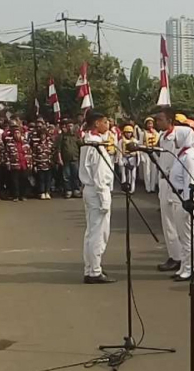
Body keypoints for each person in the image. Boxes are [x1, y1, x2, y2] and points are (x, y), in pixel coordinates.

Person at [80, 112, 116, 284]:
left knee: (92, 232)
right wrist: (104, 199)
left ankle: (92, 267)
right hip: (97, 190)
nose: (108, 124)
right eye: (105, 121)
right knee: (99, 233)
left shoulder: (89, 141)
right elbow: (100, 175)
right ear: (96, 123)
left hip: (91, 190)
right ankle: (94, 271)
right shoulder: (96, 145)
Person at [169, 126, 194, 281]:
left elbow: (190, 181)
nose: (174, 140)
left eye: (176, 137)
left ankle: (190, 268)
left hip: (185, 199)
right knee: (182, 237)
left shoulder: (189, 157)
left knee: (188, 237)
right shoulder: (181, 154)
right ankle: (184, 265)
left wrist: (188, 200)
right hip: (178, 198)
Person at [155, 107, 182, 272]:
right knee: (167, 222)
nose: (158, 122)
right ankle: (174, 255)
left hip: (175, 183)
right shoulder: (162, 137)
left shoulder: (177, 138)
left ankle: (181, 258)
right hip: (164, 181)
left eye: (160, 119)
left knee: (176, 221)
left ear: (170, 121)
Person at [5, 127, 33, 202]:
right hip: (14, 164)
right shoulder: (10, 143)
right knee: (15, 181)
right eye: (15, 133)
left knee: (23, 180)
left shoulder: (25, 143)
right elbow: (7, 154)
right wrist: (8, 164)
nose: (17, 135)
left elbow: (29, 153)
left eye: (18, 133)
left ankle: (23, 195)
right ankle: (15, 196)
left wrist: (30, 163)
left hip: (24, 164)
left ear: (21, 134)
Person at [56, 119, 82, 198]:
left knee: (75, 175)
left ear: (73, 127)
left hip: (75, 159)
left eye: (71, 126)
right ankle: (68, 191)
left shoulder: (76, 136)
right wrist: (60, 159)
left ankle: (76, 190)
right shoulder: (62, 136)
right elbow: (59, 149)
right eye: (68, 126)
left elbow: (81, 146)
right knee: (66, 176)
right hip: (66, 160)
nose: (70, 128)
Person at [34, 128, 55, 200]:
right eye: (41, 135)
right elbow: (34, 155)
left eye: (44, 135)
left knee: (48, 179)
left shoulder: (50, 143)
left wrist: (52, 162)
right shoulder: (37, 144)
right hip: (40, 164)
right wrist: (35, 165)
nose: (43, 136)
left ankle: (47, 192)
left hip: (48, 164)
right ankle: (42, 192)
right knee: (41, 179)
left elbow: (53, 153)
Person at [118, 125, 140, 194]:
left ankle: (132, 189)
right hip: (125, 158)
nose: (128, 134)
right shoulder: (121, 141)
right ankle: (124, 188)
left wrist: (138, 160)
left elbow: (138, 152)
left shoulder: (135, 141)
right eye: (127, 132)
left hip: (132, 159)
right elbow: (119, 150)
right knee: (124, 175)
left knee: (133, 176)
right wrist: (120, 160)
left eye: (130, 132)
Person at [141, 117, 160, 193]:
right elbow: (140, 144)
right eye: (148, 123)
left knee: (154, 170)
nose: (150, 125)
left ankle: (152, 188)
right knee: (147, 170)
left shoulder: (156, 133)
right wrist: (142, 154)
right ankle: (147, 187)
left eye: (151, 123)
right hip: (146, 152)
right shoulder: (143, 133)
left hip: (154, 152)